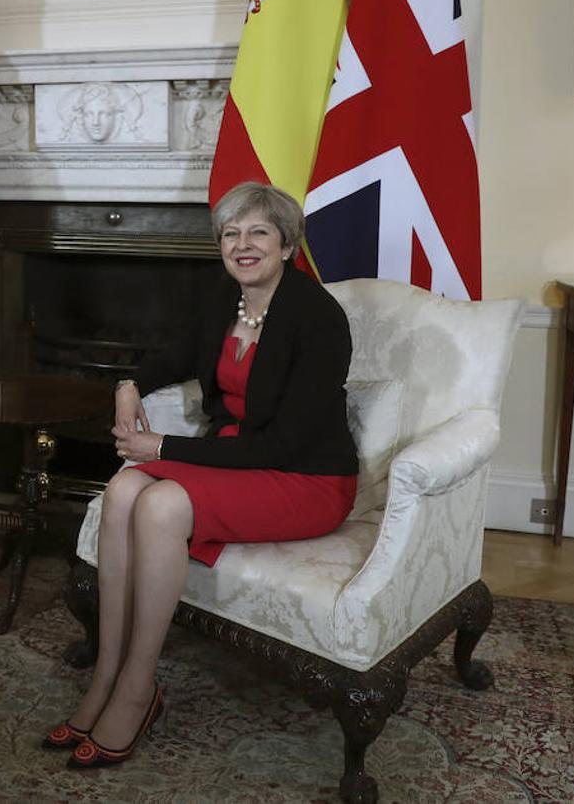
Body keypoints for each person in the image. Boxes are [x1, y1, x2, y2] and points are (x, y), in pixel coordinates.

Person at [45, 181, 358, 768]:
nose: (243, 245)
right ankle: (105, 676)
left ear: (287, 245)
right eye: (231, 234)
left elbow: (283, 444)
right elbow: (176, 354)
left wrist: (163, 444)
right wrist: (129, 384)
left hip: (306, 477)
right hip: (242, 456)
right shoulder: (227, 299)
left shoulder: (319, 317)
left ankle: (139, 690)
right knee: (123, 488)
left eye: (259, 232)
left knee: (161, 503)